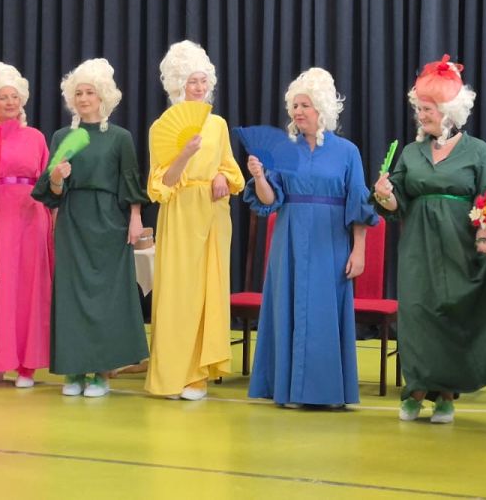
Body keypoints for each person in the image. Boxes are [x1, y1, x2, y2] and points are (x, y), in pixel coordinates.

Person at [371, 56, 486, 422]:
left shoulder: (478, 151)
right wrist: (384, 194)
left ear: (449, 112)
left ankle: (445, 395)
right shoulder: (411, 152)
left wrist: (484, 237)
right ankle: (415, 390)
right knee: (417, 313)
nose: (421, 115)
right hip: (418, 245)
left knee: (452, 316)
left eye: (428, 109)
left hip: (460, 245)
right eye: (420, 108)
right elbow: (397, 202)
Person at [244, 67, 378, 408]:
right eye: (295, 105)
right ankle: (288, 390)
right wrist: (259, 176)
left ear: (322, 108)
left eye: (305, 105)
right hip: (289, 240)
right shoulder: (283, 150)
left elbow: (359, 204)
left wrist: (359, 250)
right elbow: (270, 200)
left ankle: (325, 392)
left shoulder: (347, 152)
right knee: (287, 308)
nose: (298, 111)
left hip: (330, 242)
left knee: (323, 313)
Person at [32, 58, 148, 398]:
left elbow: (130, 180)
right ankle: (74, 370)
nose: (84, 98)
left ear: (103, 96)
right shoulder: (62, 136)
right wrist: (57, 178)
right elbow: (52, 193)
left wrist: (136, 218)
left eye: (90, 92)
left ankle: (101, 373)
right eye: (79, 93)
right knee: (71, 295)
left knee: (107, 298)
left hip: (110, 221)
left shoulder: (120, 138)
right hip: (73, 219)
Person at [145, 40, 244, 400]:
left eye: (203, 81)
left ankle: (197, 376)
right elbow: (161, 184)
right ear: (178, 85)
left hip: (213, 214)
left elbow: (232, 171)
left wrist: (221, 175)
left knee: (207, 292)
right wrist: (185, 154)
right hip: (180, 212)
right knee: (177, 292)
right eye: (192, 81)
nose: (199, 88)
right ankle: (172, 374)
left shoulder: (217, 124)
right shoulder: (162, 127)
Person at [0, 62, 52, 388]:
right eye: (3, 97)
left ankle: (27, 365)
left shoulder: (36, 137)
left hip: (31, 216)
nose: (10, 102)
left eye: (14, 97)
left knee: (29, 289)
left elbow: (47, 180)